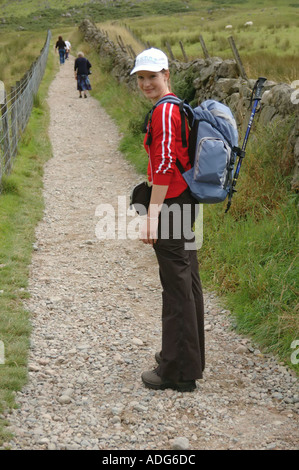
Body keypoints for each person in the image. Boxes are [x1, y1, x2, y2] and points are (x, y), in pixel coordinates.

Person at [130, 48, 205, 392]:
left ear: (166, 74)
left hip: (171, 204)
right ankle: (187, 359)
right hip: (185, 201)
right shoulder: (177, 105)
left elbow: (162, 168)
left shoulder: (163, 112)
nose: (146, 83)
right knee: (188, 282)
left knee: (176, 288)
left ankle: (177, 372)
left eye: (152, 76)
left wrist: (152, 217)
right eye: (141, 78)